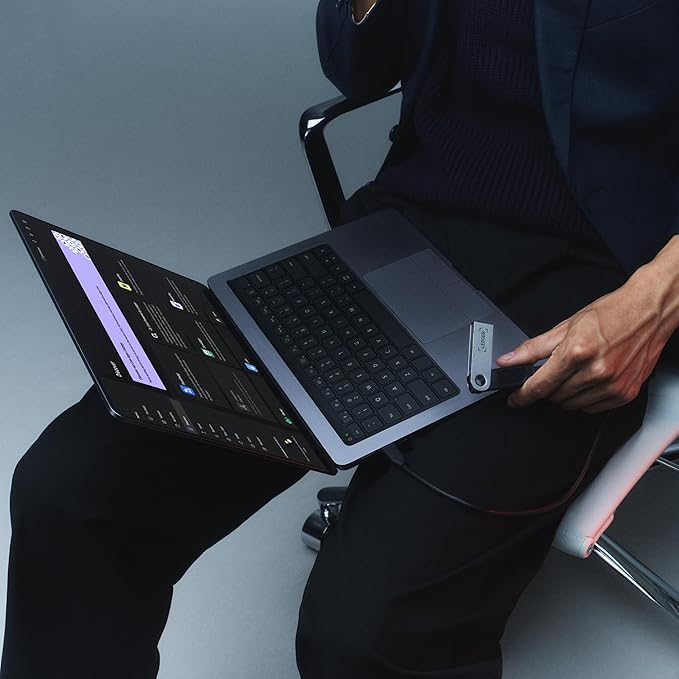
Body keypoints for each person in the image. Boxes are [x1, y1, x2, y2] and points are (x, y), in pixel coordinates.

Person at [2, 1, 678, 677]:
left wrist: (654, 301)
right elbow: (360, 67)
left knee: (368, 635)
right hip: (402, 237)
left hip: (606, 274)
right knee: (72, 489)